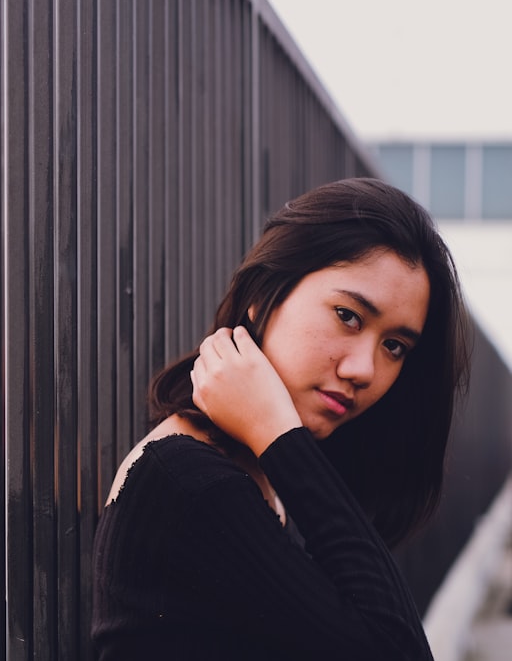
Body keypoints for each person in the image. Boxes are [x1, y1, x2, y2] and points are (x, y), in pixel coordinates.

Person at [91, 177, 469, 660]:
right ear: (263, 293)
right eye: (348, 315)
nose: (363, 370)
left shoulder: (254, 476)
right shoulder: (190, 482)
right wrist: (278, 434)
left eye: (393, 346)